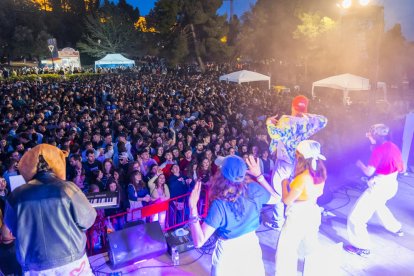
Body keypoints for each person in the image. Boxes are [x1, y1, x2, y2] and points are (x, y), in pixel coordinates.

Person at [4, 144, 96, 275]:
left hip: (35, 265)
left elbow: (10, 231)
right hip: (71, 259)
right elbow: (88, 219)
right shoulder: (68, 188)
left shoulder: (16, 195)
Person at [188, 155, 279, 276]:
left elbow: (199, 242)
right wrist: (259, 176)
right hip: (251, 247)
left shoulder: (220, 204)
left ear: (221, 175)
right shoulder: (253, 189)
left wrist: (193, 208)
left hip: (228, 252)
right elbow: (276, 198)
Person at [266, 95, 328, 230]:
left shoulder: (286, 120)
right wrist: (305, 114)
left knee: (278, 191)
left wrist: (269, 123)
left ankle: (278, 221)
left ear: (292, 106)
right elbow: (324, 120)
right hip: (300, 162)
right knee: (295, 189)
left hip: (284, 161)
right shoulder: (308, 122)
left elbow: (275, 135)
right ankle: (291, 217)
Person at [344, 124, 404, 257]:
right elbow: (401, 168)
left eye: (371, 134)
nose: (369, 136)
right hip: (392, 185)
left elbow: (368, 172)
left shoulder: (378, 151)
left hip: (379, 188)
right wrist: (372, 141)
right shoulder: (393, 146)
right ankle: (396, 227)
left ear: (376, 135)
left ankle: (362, 247)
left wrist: (359, 164)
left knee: (356, 218)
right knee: (379, 206)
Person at [275, 140, 327, 276]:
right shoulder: (320, 172)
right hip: (313, 211)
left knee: (286, 250)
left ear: (301, 157)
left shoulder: (303, 178)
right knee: (309, 247)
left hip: (299, 215)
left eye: (297, 154)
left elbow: (287, 200)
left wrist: (284, 183)